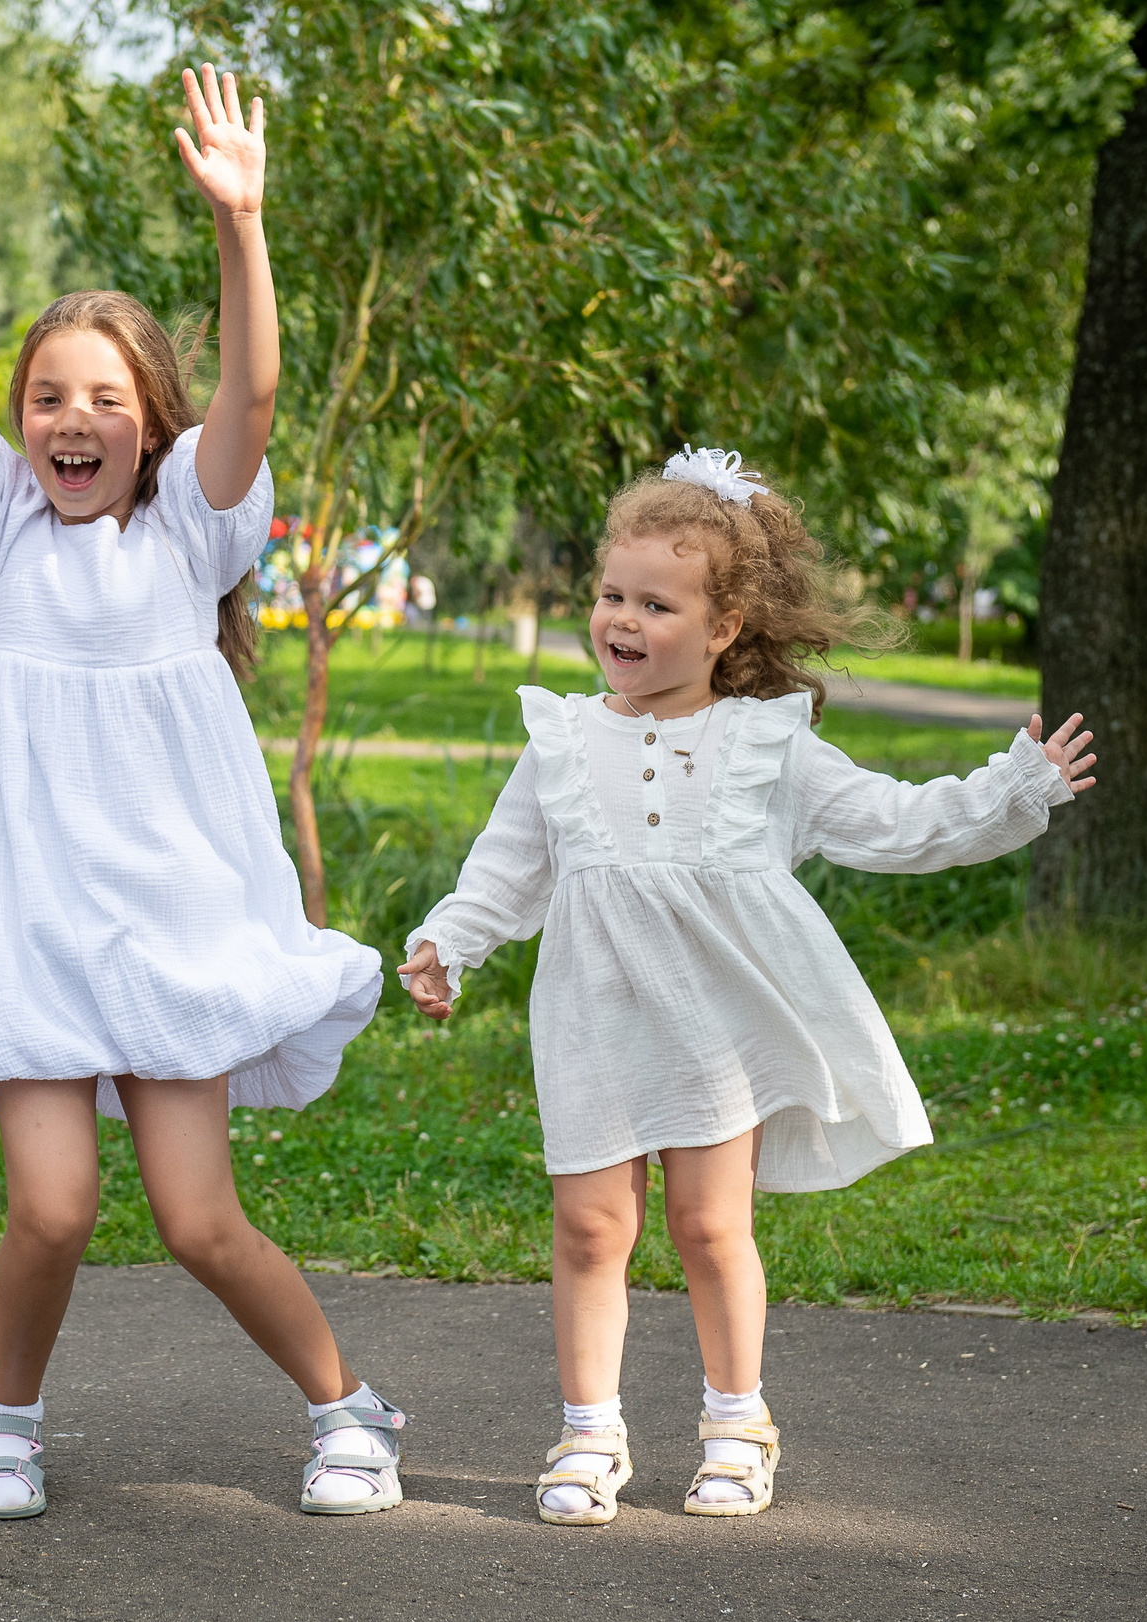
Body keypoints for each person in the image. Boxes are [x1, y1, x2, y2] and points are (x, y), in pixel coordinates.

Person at [0, 28, 397, 1521]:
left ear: (148, 421)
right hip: (38, 913)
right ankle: (3, 1418)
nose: (69, 420)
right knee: (48, 1203)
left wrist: (242, 222)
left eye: (103, 397)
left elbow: (253, 390)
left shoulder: (190, 522)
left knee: (195, 1214)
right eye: (47, 395)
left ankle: (347, 1404)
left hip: (173, 910)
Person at [401, 448, 1096, 1525]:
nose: (621, 621)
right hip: (588, 1013)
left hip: (711, 1026)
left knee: (708, 1226)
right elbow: (507, 868)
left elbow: (895, 824)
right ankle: (589, 1436)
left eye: (655, 604)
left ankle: (737, 1422)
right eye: (610, 595)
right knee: (590, 1229)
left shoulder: (762, 745)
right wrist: (453, 941)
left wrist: (1014, 791)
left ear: (723, 628)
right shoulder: (563, 737)